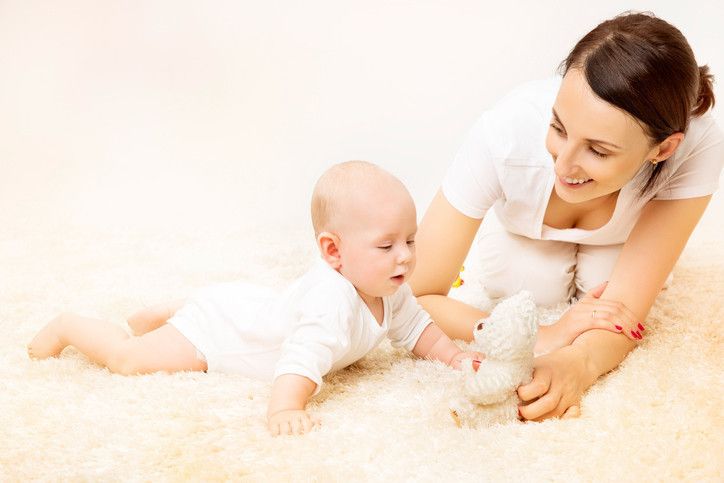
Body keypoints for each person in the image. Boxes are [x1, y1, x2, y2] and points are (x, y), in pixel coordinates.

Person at [409, 12, 723, 421]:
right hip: (524, 239)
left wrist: (579, 363)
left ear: (663, 149)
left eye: (598, 150)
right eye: (558, 128)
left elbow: (625, 310)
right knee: (528, 284)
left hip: (620, 241)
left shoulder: (699, 143)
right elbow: (415, 296)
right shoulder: (504, 133)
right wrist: (545, 336)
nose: (564, 165)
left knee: (603, 286)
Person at [28, 161, 483, 436]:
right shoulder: (330, 303)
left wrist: (455, 358)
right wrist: (285, 407)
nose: (405, 256)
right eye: (386, 245)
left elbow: (417, 329)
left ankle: (172, 311)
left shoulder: (388, 286)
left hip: (248, 308)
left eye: (410, 240)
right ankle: (70, 325)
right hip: (219, 334)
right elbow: (299, 360)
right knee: (129, 360)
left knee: (246, 310)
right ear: (333, 252)